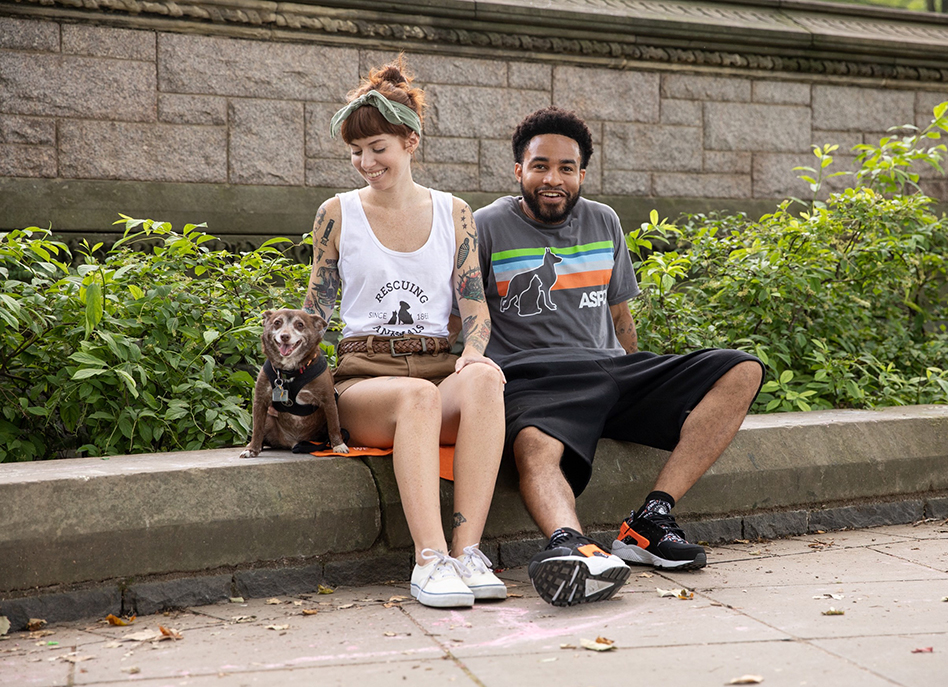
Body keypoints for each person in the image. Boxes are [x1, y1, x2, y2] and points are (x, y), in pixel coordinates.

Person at [473, 107, 765, 607]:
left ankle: (649, 521)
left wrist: (633, 373)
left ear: (581, 174)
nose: (553, 178)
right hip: (533, 376)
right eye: (540, 165)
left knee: (742, 368)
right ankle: (570, 544)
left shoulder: (604, 220)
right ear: (518, 170)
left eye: (567, 168)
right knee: (535, 449)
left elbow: (620, 316)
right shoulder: (485, 227)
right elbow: (467, 321)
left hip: (611, 368)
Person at [302, 59, 507, 609]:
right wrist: (293, 375)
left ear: (409, 142)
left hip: (440, 363)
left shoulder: (455, 212)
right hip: (366, 376)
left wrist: (474, 356)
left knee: (487, 380)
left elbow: (475, 307)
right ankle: (429, 561)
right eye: (356, 151)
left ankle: (466, 553)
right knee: (416, 397)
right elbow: (316, 306)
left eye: (377, 148)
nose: (364, 162)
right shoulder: (337, 213)